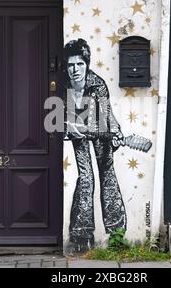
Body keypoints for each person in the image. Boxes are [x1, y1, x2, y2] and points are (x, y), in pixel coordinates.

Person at [64, 39, 127, 254]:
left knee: (107, 173)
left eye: (79, 64)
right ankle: (81, 233)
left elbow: (107, 114)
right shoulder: (63, 85)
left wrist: (116, 133)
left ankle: (117, 232)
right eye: (71, 65)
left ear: (86, 64)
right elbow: (54, 116)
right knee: (86, 178)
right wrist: (68, 128)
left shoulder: (97, 83)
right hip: (77, 131)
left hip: (100, 129)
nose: (75, 70)